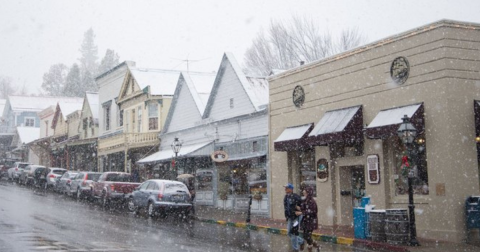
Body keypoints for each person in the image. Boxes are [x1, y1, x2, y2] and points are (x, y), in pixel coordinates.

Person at [295, 187, 320, 252]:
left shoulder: (312, 201)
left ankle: (311, 249)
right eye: (303, 193)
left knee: (307, 236)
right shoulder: (305, 200)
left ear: (308, 193)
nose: (304, 194)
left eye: (305, 193)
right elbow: (304, 209)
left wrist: (301, 212)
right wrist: (298, 208)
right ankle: (316, 245)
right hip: (305, 220)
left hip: (311, 221)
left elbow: (313, 211)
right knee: (306, 236)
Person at [284, 183, 304, 252]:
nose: (285, 189)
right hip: (290, 218)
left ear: (291, 189)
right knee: (289, 232)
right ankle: (301, 241)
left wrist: (300, 210)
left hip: (296, 218)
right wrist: (286, 216)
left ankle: (295, 249)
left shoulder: (296, 197)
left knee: (293, 232)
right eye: (285, 188)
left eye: (286, 188)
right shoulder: (286, 197)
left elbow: (303, 207)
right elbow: (286, 208)